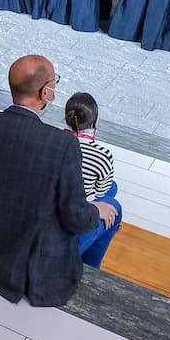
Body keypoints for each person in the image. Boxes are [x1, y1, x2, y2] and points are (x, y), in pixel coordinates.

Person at [0, 55, 118, 306]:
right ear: (46, 92)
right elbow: (75, 217)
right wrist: (96, 208)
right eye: (54, 82)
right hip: (26, 254)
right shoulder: (63, 145)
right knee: (113, 206)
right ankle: (87, 270)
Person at [63, 92, 122, 268]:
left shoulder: (53, 140)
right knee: (114, 205)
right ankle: (89, 267)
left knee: (113, 187)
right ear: (93, 123)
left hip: (65, 198)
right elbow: (100, 191)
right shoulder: (102, 154)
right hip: (74, 212)